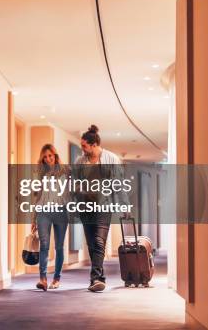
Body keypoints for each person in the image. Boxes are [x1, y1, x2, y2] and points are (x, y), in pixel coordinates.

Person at [73, 125, 127, 292]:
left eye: (84, 146)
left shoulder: (111, 159)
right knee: (91, 243)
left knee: (99, 241)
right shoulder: (80, 162)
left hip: (104, 206)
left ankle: (97, 278)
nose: (82, 149)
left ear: (94, 144)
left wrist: (124, 206)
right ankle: (95, 278)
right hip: (85, 207)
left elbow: (118, 184)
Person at [31, 144, 69, 291]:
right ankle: (43, 279)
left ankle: (57, 279)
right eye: (45, 157)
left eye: (50, 156)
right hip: (44, 212)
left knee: (59, 247)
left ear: (55, 155)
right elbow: (37, 196)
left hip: (61, 212)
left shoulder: (66, 171)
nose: (48, 159)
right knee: (44, 245)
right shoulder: (40, 173)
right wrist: (34, 218)